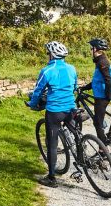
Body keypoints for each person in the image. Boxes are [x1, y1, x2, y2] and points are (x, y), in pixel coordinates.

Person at [27, 41, 78, 188]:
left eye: (48, 53)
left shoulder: (47, 71)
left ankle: (51, 178)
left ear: (52, 55)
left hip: (55, 112)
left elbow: (38, 91)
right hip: (70, 109)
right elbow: (74, 87)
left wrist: (32, 104)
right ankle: (83, 159)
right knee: (76, 134)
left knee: (52, 144)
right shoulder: (72, 68)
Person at [80, 38, 111, 145]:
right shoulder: (99, 61)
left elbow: (108, 79)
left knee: (98, 123)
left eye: (91, 48)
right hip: (100, 95)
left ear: (95, 49)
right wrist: (86, 87)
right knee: (99, 120)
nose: (90, 50)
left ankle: (103, 151)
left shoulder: (102, 62)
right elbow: (98, 80)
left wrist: (108, 95)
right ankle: (103, 145)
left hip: (102, 96)